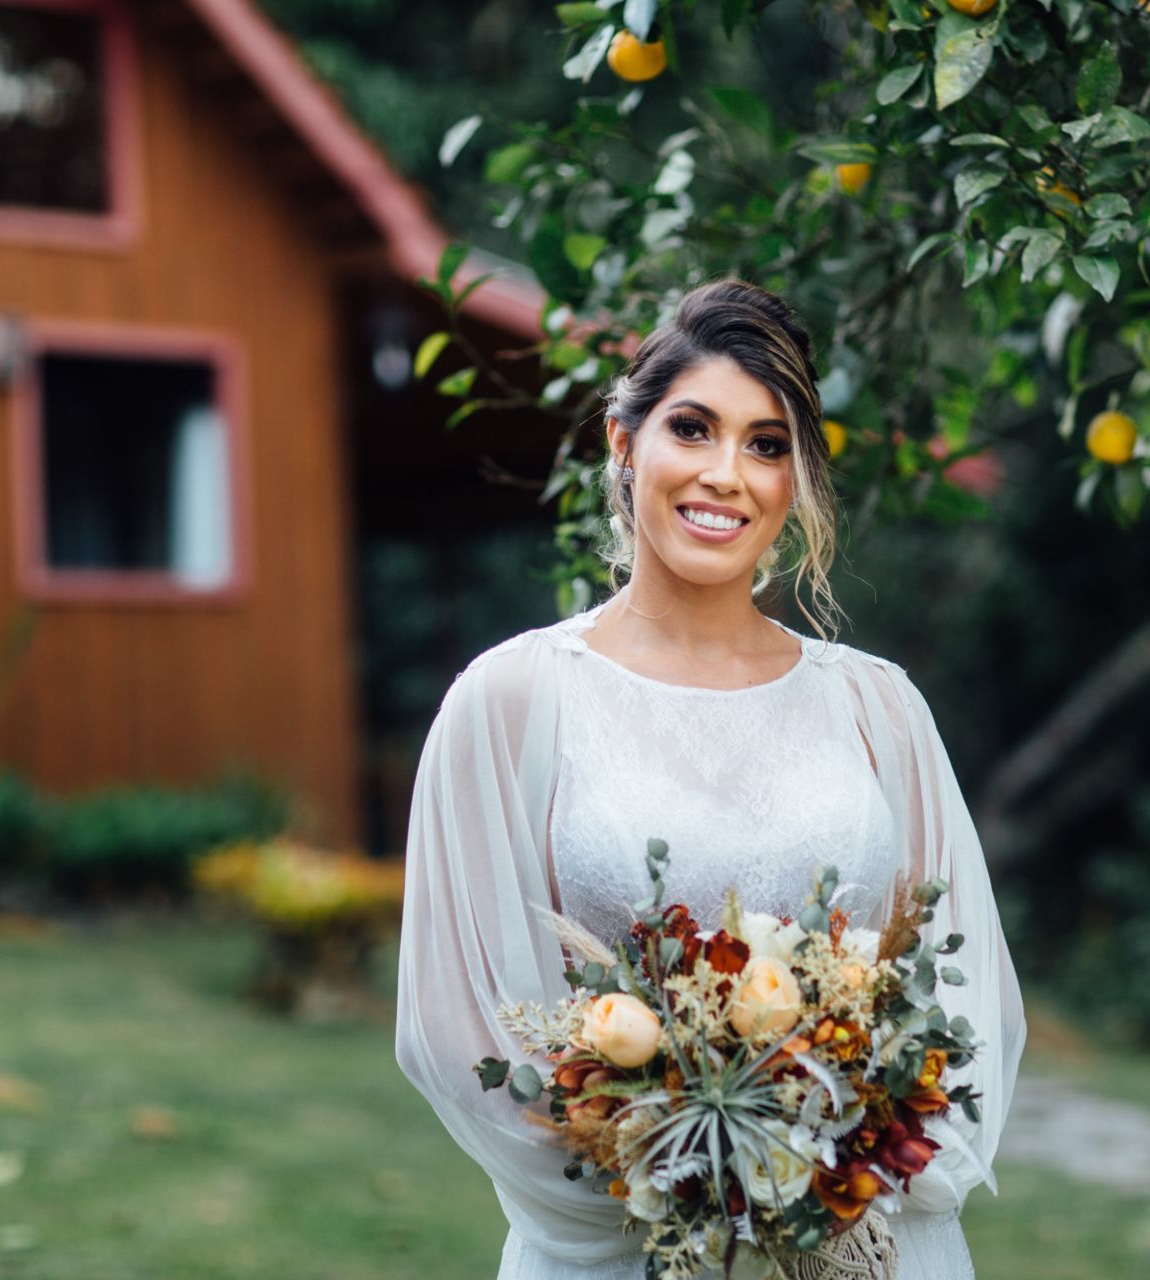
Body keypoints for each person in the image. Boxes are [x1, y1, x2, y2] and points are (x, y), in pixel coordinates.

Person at [394, 278, 1027, 1280]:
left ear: (798, 478)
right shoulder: (513, 700)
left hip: (866, 1243)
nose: (727, 473)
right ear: (623, 439)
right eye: (692, 428)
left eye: (767, 443)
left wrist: (834, 1184)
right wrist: (681, 1181)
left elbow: (954, 983)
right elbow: (451, 1020)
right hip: (619, 1249)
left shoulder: (878, 707)